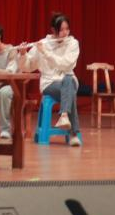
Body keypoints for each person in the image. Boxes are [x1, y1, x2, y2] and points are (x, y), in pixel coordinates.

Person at [19, 13, 84, 147]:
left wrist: (46, 53)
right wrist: (23, 54)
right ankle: (73, 133)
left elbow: (66, 65)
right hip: (49, 84)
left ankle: (64, 115)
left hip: (69, 80)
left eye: (67, 29)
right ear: (54, 30)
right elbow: (27, 67)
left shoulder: (73, 43)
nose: (65, 33)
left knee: (68, 80)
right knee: (70, 91)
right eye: (61, 30)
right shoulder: (43, 44)